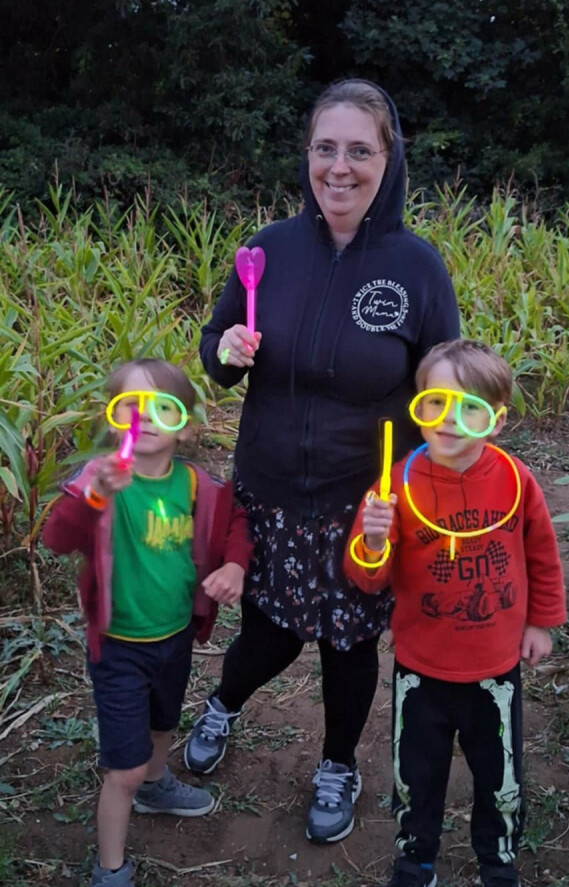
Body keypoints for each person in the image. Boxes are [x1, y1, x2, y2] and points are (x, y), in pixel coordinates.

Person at [184, 78, 460, 844]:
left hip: (362, 500)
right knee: (268, 632)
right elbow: (216, 351)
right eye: (325, 148)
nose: (340, 167)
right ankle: (224, 703)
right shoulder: (267, 251)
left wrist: (427, 485)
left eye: (360, 150)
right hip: (269, 490)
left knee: (348, 643)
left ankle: (339, 761)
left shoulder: (416, 267)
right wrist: (227, 351)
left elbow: (444, 384)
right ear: (308, 154)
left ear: (389, 158)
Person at [343, 339, 566, 887]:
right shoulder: (393, 486)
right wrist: (373, 540)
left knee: (500, 775)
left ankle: (498, 860)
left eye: (470, 406)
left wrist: (540, 622)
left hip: (496, 668)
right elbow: (366, 577)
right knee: (416, 776)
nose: (450, 419)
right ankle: (416, 858)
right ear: (417, 407)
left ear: (497, 420)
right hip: (421, 667)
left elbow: (542, 554)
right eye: (436, 402)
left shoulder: (516, 481)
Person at [42, 358, 252, 887]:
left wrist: (234, 564)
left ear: (186, 423)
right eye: (131, 405)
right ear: (114, 418)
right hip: (118, 646)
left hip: (176, 634)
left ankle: (157, 784)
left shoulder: (198, 486)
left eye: (163, 406)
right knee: (123, 769)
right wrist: (95, 498)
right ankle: (110, 866)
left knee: (164, 722)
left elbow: (235, 525)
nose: (146, 416)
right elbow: (58, 539)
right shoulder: (101, 479)